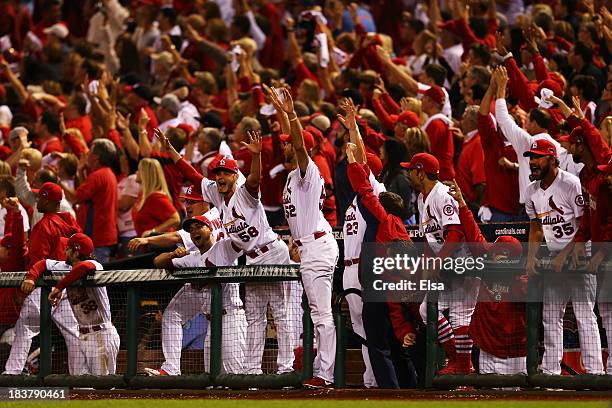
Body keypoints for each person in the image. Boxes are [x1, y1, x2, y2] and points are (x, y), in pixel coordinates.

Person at [162, 127, 295, 376]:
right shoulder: (215, 191)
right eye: (218, 172)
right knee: (255, 316)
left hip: (272, 252)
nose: (221, 176)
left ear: (235, 176)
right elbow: (191, 174)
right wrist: (171, 152)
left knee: (280, 313)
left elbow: (255, 180)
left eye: (226, 173)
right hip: (248, 256)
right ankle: (252, 371)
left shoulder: (245, 191)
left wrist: (255, 156)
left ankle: (285, 368)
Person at [268, 86, 339, 389]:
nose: (283, 146)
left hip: (318, 246)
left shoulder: (308, 172)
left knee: (322, 315)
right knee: (314, 313)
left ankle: (326, 374)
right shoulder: (294, 176)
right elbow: (295, 145)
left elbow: (299, 147)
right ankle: (317, 370)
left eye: (287, 144)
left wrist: (292, 114)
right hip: (309, 246)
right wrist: (283, 115)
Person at [524, 139, 603, 375]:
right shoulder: (531, 191)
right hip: (555, 257)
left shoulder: (570, 184)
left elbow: (584, 224)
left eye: (538, 157)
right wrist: (531, 256)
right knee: (550, 315)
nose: (533, 162)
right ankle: (550, 372)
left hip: (579, 255)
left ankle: (594, 372)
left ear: (552, 158)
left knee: (584, 314)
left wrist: (566, 255)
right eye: (531, 157)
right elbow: (536, 227)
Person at [403, 153, 478, 374]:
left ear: (420, 172)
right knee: (428, 310)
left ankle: (461, 365)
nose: (408, 174)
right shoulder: (421, 199)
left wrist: (437, 262)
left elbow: (456, 233)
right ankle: (460, 362)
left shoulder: (442, 195)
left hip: (464, 262)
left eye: (411, 170)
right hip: (448, 264)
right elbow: (431, 240)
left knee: (458, 315)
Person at [147, 211, 244, 375]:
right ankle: (171, 369)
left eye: (199, 227)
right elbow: (158, 261)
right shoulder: (192, 257)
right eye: (191, 230)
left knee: (235, 375)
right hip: (212, 322)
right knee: (212, 378)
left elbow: (241, 243)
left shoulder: (224, 247)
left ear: (211, 228)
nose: (194, 232)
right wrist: (172, 253)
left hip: (231, 318)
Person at [448, 180, 528, 375]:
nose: (490, 254)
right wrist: (461, 203)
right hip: (487, 351)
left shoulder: (524, 284)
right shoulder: (487, 263)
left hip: (515, 356)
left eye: (496, 254)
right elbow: (474, 233)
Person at [4, 182, 84, 375]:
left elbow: (38, 261)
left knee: (24, 329)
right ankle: (81, 379)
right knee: (73, 334)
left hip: (44, 288)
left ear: (48, 202)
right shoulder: (71, 224)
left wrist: (29, 282)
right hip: (65, 288)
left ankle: (11, 373)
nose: (38, 200)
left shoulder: (44, 226)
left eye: (41, 197)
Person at [47, 233, 120, 375]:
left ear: (76, 252)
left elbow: (84, 267)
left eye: (68, 249)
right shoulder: (69, 270)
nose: (64, 251)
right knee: (80, 387)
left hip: (101, 335)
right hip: (82, 336)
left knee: (102, 388)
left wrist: (58, 288)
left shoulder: (95, 265)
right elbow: (43, 264)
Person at [62, 139, 119, 263]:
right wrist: (81, 171)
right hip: (103, 235)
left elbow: (76, 197)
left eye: (90, 152)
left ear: (96, 157)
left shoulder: (98, 175)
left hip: (97, 237)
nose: (86, 154)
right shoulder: (107, 173)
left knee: (95, 278)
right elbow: (86, 195)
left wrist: (57, 181)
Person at [131, 158, 180, 238]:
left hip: (158, 247)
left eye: (139, 170)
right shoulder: (144, 195)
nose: (136, 172)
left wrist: (153, 231)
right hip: (147, 246)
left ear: (145, 174)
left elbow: (175, 219)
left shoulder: (156, 197)